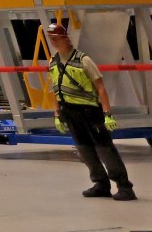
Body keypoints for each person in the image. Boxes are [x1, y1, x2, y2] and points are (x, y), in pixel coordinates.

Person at [45, 21, 134, 200]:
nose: (53, 42)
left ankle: (124, 186)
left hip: (89, 111)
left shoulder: (83, 60)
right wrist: (57, 114)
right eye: (51, 39)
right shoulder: (53, 62)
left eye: (55, 38)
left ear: (65, 38)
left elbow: (100, 87)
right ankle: (100, 183)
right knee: (84, 149)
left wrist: (107, 113)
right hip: (69, 112)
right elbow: (54, 88)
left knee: (104, 149)